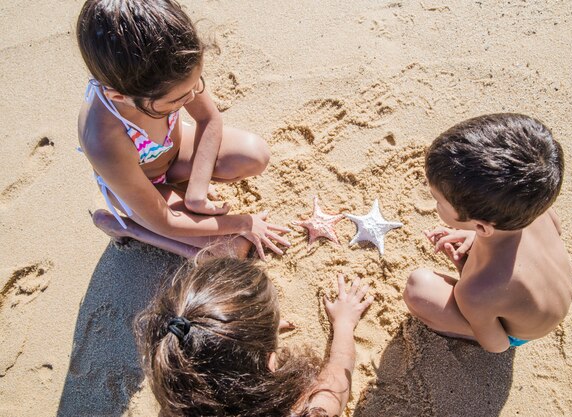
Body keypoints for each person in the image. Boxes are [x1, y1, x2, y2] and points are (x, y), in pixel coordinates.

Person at [76, 0, 290, 260]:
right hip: (142, 190)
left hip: (175, 153)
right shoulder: (104, 140)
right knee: (230, 251)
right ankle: (130, 228)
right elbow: (165, 220)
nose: (191, 98)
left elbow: (209, 119)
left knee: (255, 155)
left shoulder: (171, 69)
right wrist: (242, 222)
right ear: (120, 96)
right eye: (176, 101)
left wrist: (197, 194)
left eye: (194, 87)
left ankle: (183, 193)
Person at [403, 113, 572, 353]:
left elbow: (498, 345)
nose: (436, 204)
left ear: (483, 226)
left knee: (419, 288)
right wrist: (474, 237)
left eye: (437, 201)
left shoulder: (475, 292)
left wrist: (475, 296)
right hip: (546, 303)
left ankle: (469, 327)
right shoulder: (536, 208)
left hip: (514, 334)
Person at [135, 256, 374, 417]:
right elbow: (337, 383)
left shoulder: (176, 387)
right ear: (271, 362)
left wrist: (243, 338)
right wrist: (344, 323)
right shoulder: (305, 412)